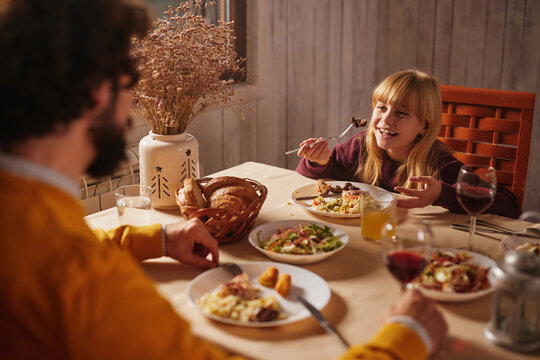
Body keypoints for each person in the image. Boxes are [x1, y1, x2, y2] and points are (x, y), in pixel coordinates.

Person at [0, 1, 446, 359]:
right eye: (129, 83)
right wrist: (403, 337)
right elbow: (67, 263)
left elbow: (62, 245)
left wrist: (157, 239)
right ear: (97, 94)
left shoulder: (30, 221)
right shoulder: (79, 278)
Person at [296, 69, 522, 219]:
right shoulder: (359, 145)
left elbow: (510, 206)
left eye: (401, 113)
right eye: (382, 107)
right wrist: (319, 162)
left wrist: (442, 193)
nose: (386, 119)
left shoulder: (438, 164)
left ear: (424, 125)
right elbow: (311, 183)